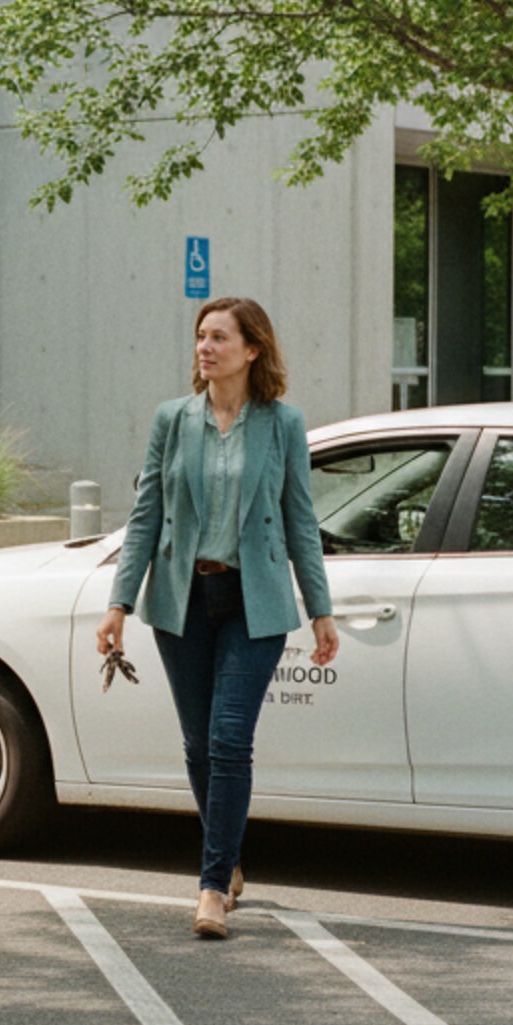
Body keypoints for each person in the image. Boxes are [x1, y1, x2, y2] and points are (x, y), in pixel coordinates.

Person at [95, 298, 337, 938]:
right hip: (184, 599)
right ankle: (227, 858)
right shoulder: (172, 420)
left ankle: (210, 887)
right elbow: (146, 515)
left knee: (231, 739)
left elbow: (300, 523)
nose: (205, 347)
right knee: (200, 745)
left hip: (253, 603)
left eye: (219, 338)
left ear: (251, 349)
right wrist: (118, 603)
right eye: (201, 337)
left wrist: (321, 611)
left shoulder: (282, 425)